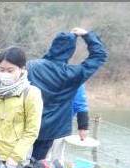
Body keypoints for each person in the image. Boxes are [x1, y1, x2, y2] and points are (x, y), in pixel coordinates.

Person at [27, 27, 108, 161]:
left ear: (52, 46)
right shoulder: (72, 74)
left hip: (26, 121)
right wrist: (87, 36)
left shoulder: (31, 66)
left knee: (16, 158)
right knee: (36, 162)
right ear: (70, 51)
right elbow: (100, 56)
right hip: (51, 128)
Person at [0, 47, 43, 167]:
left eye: (10, 71)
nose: (5, 74)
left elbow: (31, 131)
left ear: (22, 69)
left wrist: (15, 157)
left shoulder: (31, 94)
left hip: (12, 159)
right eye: (2, 70)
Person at [48, 84, 89, 163]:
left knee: (57, 158)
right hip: (42, 121)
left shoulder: (75, 76)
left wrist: (83, 126)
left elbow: (81, 103)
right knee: (39, 156)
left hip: (62, 123)